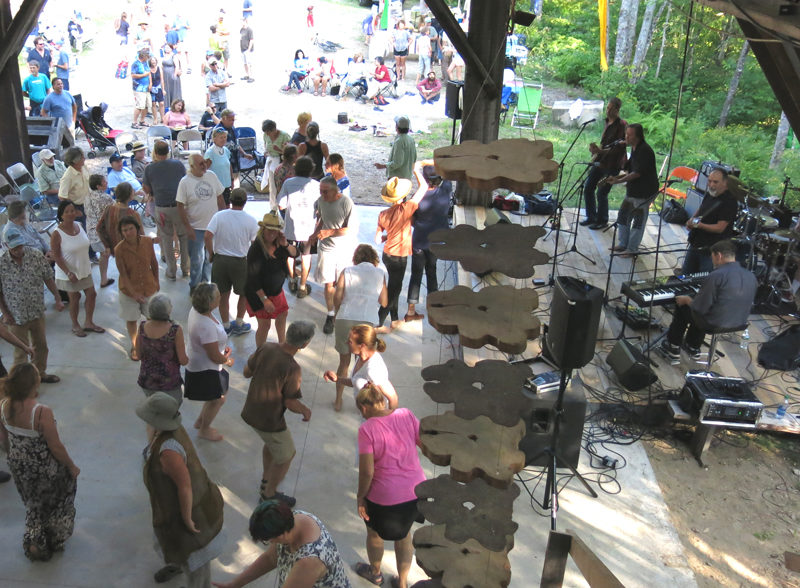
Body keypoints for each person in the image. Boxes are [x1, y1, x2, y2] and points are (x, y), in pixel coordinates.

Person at [137, 392, 225, 586]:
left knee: (196, 562)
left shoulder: (168, 451)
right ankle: (177, 564)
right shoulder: (163, 430)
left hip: (191, 509)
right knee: (176, 545)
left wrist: (187, 518)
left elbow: (185, 487)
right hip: (170, 506)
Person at [0, 363, 79, 561]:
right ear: (34, 384)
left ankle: (36, 537)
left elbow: (3, 438)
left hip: (19, 465)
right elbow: (56, 446)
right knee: (56, 499)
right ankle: (46, 539)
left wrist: (15, 456)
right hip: (44, 467)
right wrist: (71, 466)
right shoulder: (41, 411)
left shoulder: (3, 405)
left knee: (33, 503)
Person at [354, 384, 425, 588]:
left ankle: (375, 574)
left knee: (374, 534)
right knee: (404, 535)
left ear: (364, 408)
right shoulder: (406, 414)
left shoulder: (366, 429)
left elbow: (367, 471)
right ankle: (402, 583)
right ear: (383, 401)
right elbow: (424, 443)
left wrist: (361, 497)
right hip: (415, 491)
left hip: (384, 497)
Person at [240, 320, 314, 505]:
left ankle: (266, 480)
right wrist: (305, 410)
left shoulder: (266, 347)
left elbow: (247, 372)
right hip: (269, 420)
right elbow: (290, 401)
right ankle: (269, 494)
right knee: (287, 454)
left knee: (273, 446)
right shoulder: (292, 368)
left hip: (251, 410)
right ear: (305, 344)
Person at [210, 499, 350, 588]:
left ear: (282, 534)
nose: (270, 543)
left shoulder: (308, 561)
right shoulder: (292, 520)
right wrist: (236, 584)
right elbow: (270, 558)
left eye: (269, 539)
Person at [661, 239, 757, 360]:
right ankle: (692, 346)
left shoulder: (717, 275)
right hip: (740, 322)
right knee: (707, 308)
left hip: (715, 323)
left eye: (712, 257)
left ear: (719, 255)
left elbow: (700, 307)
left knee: (684, 306)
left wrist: (686, 300)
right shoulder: (750, 275)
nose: (712, 261)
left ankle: (673, 346)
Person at [325, 245, 388, 411]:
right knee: (366, 364)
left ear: (356, 258)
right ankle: (366, 404)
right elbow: (384, 302)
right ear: (374, 258)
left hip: (345, 318)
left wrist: (338, 314)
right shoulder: (380, 273)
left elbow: (337, 297)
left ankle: (338, 400)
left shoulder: (347, 271)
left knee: (344, 362)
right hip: (367, 322)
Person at [0, 227, 61, 381]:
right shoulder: (2, 264)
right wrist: (6, 313)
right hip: (16, 315)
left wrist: (58, 298)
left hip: (37, 310)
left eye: (20, 246)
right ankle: (22, 385)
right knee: (21, 352)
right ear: (6, 245)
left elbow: (48, 277)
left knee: (41, 346)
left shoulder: (35, 256)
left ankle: (40, 374)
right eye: (14, 247)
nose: (18, 250)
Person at [376, 172, 428, 330]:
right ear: (403, 195)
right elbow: (424, 187)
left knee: (394, 286)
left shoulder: (383, 214)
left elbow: (378, 239)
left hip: (387, 254)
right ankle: (378, 322)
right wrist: (417, 171)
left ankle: (395, 319)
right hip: (399, 257)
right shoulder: (407, 209)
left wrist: (390, 235)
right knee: (393, 291)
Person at [205, 188, 259, 336]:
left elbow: (207, 236)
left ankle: (226, 325)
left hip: (220, 260)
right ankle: (240, 323)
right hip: (240, 262)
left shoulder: (219, 216)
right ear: (245, 202)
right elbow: (255, 244)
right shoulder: (251, 220)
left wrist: (211, 253)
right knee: (243, 294)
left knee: (223, 295)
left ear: (230, 200)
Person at [185, 283, 234, 442]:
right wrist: (227, 360)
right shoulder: (205, 326)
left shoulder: (196, 311)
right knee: (218, 399)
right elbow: (213, 355)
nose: (221, 297)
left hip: (203, 362)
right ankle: (204, 430)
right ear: (210, 303)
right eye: (218, 296)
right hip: (205, 368)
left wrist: (222, 349)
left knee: (214, 397)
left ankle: (201, 421)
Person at [51, 200, 104, 337]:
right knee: (75, 297)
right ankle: (75, 324)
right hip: (68, 271)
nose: (70, 214)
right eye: (67, 212)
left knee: (92, 294)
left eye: (72, 210)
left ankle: (88, 322)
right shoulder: (57, 233)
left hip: (83, 268)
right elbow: (56, 256)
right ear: (61, 215)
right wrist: (68, 272)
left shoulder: (79, 225)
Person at [406, 163, 452, 322]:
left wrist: (419, 166)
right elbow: (448, 171)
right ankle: (433, 307)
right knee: (431, 272)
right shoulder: (445, 191)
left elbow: (411, 222)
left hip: (419, 241)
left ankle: (410, 311)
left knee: (416, 275)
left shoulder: (418, 197)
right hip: (436, 243)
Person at [244, 211, 297, 346]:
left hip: (276, 291)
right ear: (263, 229)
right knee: (265, 324)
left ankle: (282, 344)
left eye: (275, 231)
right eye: (269, 231)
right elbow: (253, 278)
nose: (272, 234)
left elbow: (295, 254)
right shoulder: (256, 249)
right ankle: (260, 353)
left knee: (282, 314)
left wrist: (285, 244)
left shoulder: (279, 244)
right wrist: (265, 300)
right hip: (258, 293)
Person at [312, 176, 357, 335]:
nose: (322, 195)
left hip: (343, 249)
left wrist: (330, 232)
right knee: (328, 283)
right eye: (320, 191)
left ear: (335, 190)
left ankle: (340, 313)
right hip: (326, 249)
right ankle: (331, 315)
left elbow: (350, 229)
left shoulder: (346, 203)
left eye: (325, 192)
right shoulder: (321, 201)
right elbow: (321, 220)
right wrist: (314, 235)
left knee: (341, 284)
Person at [606, 123, 659, 257]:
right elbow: (629, 169)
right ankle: (624, 244)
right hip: (634, 190)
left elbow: (637, 173)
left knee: (638, 221)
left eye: (630, 135)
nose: (626, 137)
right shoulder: (634, 148)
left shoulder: (644, 151)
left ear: (638, 136)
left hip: (644, 191)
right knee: (623, 216)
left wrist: (618, 180)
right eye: (626, 134)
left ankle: (632, 249)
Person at [177, 154, 226, 294]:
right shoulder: (185, 182)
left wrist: (224, 217)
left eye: (204, 162)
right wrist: (188, 227)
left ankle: (206, 284)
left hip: (213, 227)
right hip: (196, 228)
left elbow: (220, 197)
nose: (204, 166)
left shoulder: (211, 175)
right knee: (197, 260)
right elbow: (180, 206)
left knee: (210, 258)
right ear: (191, 166)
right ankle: (195, 287)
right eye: (200, 164)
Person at [323, 323, 398, 410]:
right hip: (365, 414)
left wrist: (388, 422)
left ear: (362, 346)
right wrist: (338, 379)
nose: (346, 342)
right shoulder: (361, 358)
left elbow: (393, 398)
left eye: (350, 341)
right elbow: (356, 382)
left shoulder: (373, 370)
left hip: (375, 418)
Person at [143, 140, 189, 280]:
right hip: (179, 206)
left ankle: (171, 270)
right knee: (184, 237)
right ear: (168, 151)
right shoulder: (178, 164)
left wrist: (153, 192)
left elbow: (146, 188)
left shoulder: (150, 168)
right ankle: (186, 268)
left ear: (155, 153)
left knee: (167, 238)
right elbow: (185, 181)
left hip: (162, 208)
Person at [115, 216, 160, 360]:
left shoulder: (147, 242)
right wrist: (134, 294)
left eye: (130, 229)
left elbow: (154, 263)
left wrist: (157, 281)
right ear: (121, 233)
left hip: (148, 286)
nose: (128, 232)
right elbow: (124, 275)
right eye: (124, 230)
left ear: (137, 229)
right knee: (132, 319)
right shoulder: (119, 249)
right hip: (128, 291)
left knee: (151, 318)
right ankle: (135, 345)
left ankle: (151, 343)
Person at [681, 168, 739, 274]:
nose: (711, 185)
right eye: (709, 181)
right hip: (696, 243)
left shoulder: (729, 201)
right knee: (685, 275)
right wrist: (692, 220)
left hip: (711, 250)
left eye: (715, 182)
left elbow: (720, 228)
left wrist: (699, 225)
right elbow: (702, 210)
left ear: (725, 183)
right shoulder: (710, 193)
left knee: (703, 280)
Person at [581, 97, 626, 230]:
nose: (608, 110)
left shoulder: (622, 125)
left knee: (602, 192)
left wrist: (601, 151)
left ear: (617, 110)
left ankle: (602, 220)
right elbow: (605, 143)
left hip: (612, 164)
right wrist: (595, 151)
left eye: (611, 108)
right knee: (588, 187)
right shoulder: (607, 122)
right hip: (600, 161)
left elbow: (619, 148)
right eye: (607, 107)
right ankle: (591, 217)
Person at [136, 294, 188, 407]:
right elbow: (183, 360)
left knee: (153, 412)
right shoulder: (175, 331)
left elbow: (138, 355)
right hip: (169, 384)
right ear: (168, 311)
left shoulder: (142, 327)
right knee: (169, 415)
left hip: (147, 381)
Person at [278, 156, 318, 298]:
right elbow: (320, 208)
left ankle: (292, 279)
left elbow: (281, 204)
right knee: (306, 257)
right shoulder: (316, 185)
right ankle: (302, 286)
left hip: (291, 228)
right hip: (309, 230)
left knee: (290, 255)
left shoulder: (288, 183)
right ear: (311, 170)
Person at [84, 174, 115, 288]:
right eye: (104, 182)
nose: (106, 183)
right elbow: (114, 211)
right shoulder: (105, 198)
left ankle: (104, 279)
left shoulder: (87, 196)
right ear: (98, 186)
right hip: (101, 233)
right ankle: (103, 279)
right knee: (105, 255)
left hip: (90, 232)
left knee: (103, 255)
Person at [97, 182, 144, 255]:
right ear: (130, 196)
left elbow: (99, 228)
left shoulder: (109, 209)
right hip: (132, 251)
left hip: (116, 250)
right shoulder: (133, 214)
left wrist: (107, 245)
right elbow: (141, 236)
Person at [374, 116, 416, 180]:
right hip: (407, 176)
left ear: (396, 127)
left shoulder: (399, 141)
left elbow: (397, 163)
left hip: (397, 178)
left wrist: (382, 166)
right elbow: (414, 158)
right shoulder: (410, 139)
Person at [262, 119, 291, 204]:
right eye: (266, 132)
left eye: (268, 132)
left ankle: (283, 204)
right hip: (271, 161)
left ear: (274, 129)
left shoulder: (284, 136)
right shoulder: (265, 135)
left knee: (282, 185)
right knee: (272, 186)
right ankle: (273, 206)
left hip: (282, 163)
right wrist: (266, 151)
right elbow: (265, 144)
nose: (267, 134)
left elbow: (290, 152)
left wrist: (279, 150)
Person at [205, 127, 234, 205]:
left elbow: (229, 166)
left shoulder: (226, 150)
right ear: (214, 139)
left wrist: (232, 180)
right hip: (215, 187)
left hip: (226, 185)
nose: (224, 139)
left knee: (227, 206)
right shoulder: (210, 152)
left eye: (225, 137)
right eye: (221, 137)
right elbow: (205, 170)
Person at [131, 49, 152, 129]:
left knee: (147, 105)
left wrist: (150, 84)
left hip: (146, 87)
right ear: (143, 56)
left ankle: (142, 120)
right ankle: (134, 122)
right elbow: (133, 75)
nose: (148, 58)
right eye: (147, 56)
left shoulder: (146, 63)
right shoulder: (135, 64)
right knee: (140, 106)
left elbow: (149, 73)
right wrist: (143, 75)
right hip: (139, 88)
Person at [149, 56, 166, 124]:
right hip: (152, 88)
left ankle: (162, 117)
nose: (153, 62)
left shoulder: (159, 69)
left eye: (154, 60)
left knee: (161, 103)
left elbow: (162, 80)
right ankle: (155, 118)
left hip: (158, 87)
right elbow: (149, 80)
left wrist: (163, 89)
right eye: (152, 61)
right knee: (153, 104)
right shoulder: (149, 70)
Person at [240, 17, 254, 82]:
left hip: (247, 49)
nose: (241, 23)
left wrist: (249, 49)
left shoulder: (249, 30)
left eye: (242, 21)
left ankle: (251, 76)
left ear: (245, 21)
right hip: (242, 49)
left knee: (249, 63)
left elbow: (251, 40)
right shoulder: (241, 30)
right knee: (244, 63)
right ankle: (247, 75)